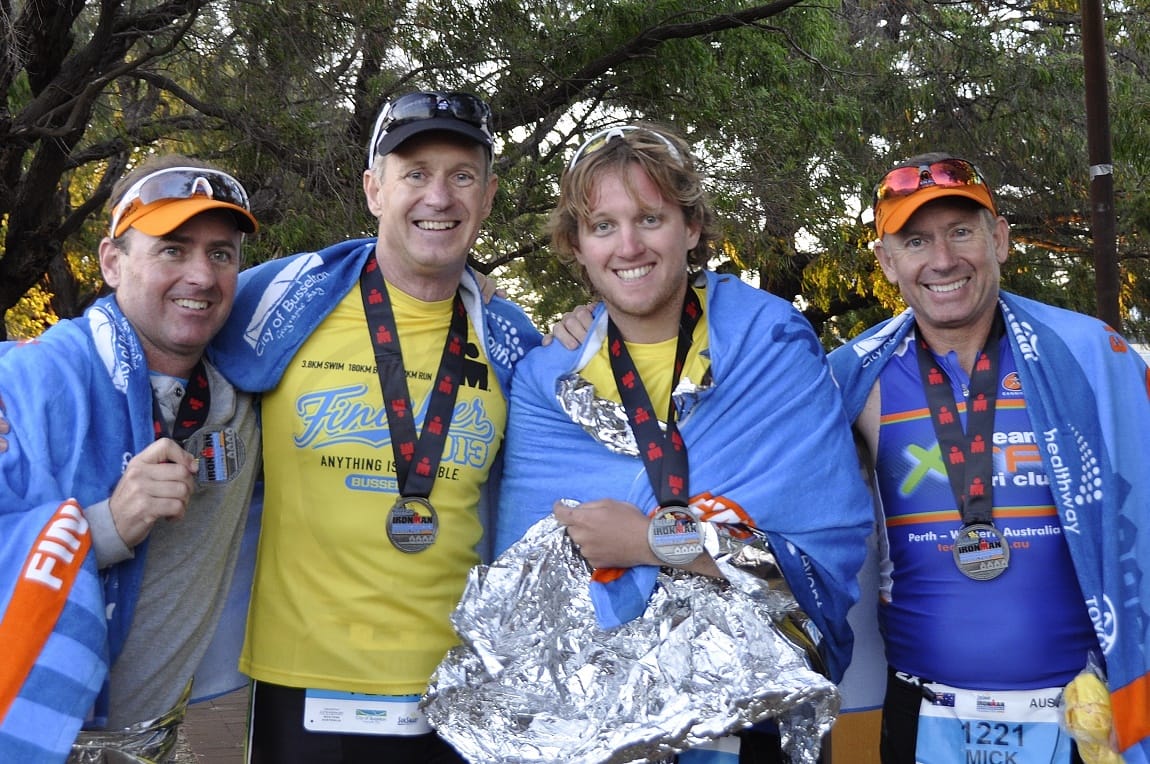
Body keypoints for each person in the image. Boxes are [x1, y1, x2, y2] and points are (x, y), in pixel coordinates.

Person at [493, 124, 875, 762]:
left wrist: (648, 544)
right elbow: (522, 586)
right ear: (578, 247)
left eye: (650, 218)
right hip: (596, 723)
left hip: (752, 723)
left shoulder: (769, 344)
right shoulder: (546, 379)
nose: (629, 245)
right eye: (603, 226)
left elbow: (816, 565)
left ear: (691, 228)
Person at [208, 90, 542, 763]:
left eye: (462, 175)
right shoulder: (279, 300)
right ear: (373, 190)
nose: (438, 197)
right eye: (414, 173)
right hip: (303, 681)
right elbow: (149, 329)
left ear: (489, 195)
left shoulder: (513, 342)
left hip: (459, 687)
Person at [828, 153, 1150, 763]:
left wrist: (1137, 690)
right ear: (887, 261)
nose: (943, 260)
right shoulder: (853, 377)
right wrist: (598, 326)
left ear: (998, 238)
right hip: (921, 714)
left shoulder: (1088, 357)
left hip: (1084, 716)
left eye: (961, 231)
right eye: (916, 240)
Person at [0, 155, 262, 761]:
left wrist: (469, 288)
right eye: (171, 248)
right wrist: (105, 527)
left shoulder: (245, 396)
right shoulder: (32, 385)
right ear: (112, 262)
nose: (201, 276)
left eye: (221, 254)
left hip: (156, 742)